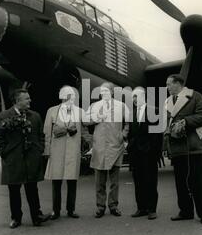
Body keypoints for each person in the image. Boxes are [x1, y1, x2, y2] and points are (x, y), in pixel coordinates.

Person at [0, 89, 50, 228]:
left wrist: (39, 149)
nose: (30, 100)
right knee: (14, 190)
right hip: (13, 160)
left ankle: (37, 216)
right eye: (26, 99)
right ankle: (16, 218)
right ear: (17, 101)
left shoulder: (35, 116)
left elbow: (41, 136)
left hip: (31, 158)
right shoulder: (2, 117)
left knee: (32, 188)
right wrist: (5, 153)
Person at [164, 74, 202, 225]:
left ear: (178, 84)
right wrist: (166, 146)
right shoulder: (167, 102)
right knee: (181, 183)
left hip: (193, 147)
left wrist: (186, 121)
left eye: (169, 84)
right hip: (177, 149)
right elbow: (165, 126)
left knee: (197, 182)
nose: (167, 87)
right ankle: (186, 211)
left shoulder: (195, 96)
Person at [85, 82, 129, 218]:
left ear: (112, 92)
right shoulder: (94, 106)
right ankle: (100, 206)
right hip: (99, 146)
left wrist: (123, 135)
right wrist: (96, 118)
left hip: (115, 145)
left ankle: (113, 205)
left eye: (106, 90)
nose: (104, 93)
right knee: (100, 180)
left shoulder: (121, 106)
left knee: (115, 180)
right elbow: (85, 121)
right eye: (102, 91)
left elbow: (128, 122)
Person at [43, 86, 84, 220]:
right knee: (56, 182)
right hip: (57, 151)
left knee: (72, 181)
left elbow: (90, 120)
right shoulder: (52, 111)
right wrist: (47, 151)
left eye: (72, 95)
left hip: (73, 150)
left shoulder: (79, 111)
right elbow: (47, 132)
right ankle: (56, 210)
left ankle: (71, 210)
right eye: (68, 95)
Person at [127, 87, 163, 220]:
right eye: (133, 97)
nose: (134, 99)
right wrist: (130, 147)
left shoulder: (154, 111)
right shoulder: (132, 113)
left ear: (143, 96)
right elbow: (131, 134)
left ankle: (152, 209)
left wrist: (155, 153)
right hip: (136, 154)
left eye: (136, 96)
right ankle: (141, 208)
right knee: (138, 181)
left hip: (149, 154)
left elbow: (158, 135)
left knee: (151, 181)